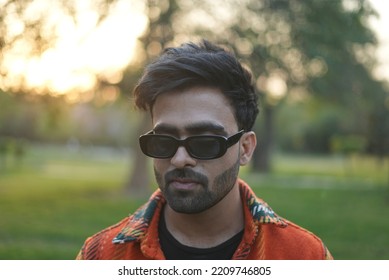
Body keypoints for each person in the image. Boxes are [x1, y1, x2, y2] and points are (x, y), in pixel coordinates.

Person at [76, 40, 333, 260]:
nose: (179, 159)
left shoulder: (305, 257)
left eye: (206, 142)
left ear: (245, 148)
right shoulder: (101, 256)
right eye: (164, 141)